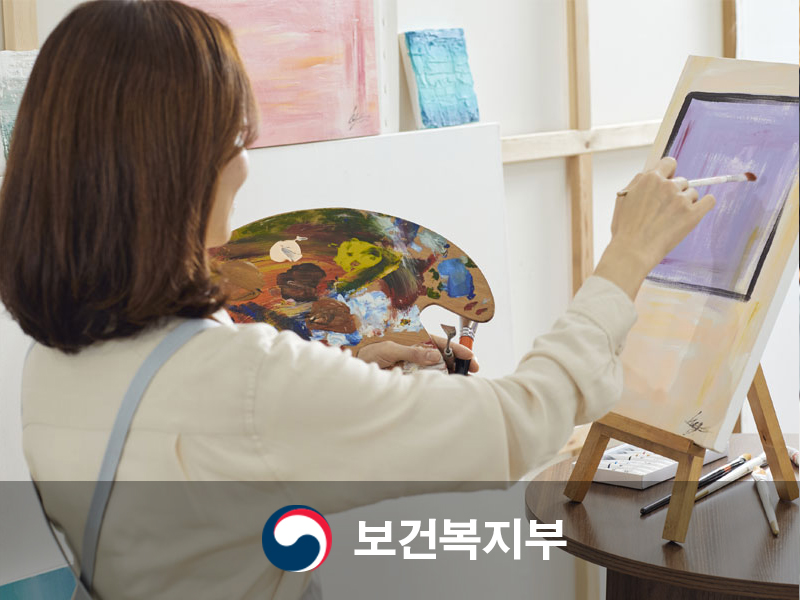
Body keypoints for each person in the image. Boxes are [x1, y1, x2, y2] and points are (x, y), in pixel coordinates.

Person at [0, 1, 714, 599]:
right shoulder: (241, 381)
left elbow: (212, 475)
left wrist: (349, 374)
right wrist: (626, 258)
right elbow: (514, 425)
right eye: (234, 139)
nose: (244, 164)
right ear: (177, 169)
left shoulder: (55, 361)